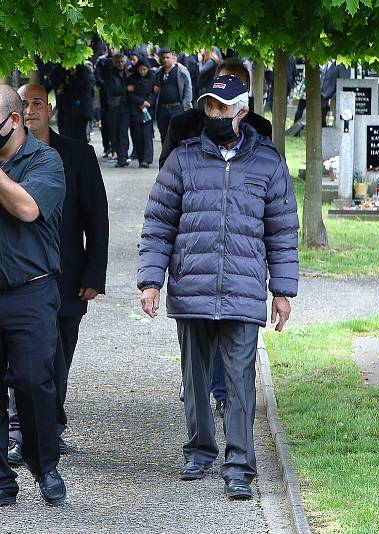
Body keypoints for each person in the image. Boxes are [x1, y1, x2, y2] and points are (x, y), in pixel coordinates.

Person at [138, 75, 299, 500]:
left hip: (244, 290)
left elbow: (282, 231)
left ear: (241, 112)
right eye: (209, 107)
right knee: (194, 378)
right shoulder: (183, 159)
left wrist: (281, 292)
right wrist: (151, 280)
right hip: (192, 286)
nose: (214, 114)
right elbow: (158, 224)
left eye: (222, 108)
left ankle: (240, 466)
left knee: (241, 379)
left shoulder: (268, 162)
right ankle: (199, 449)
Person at [0, 85, 67, 509]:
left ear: (14, 120)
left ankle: (45, 465)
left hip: (30, 293)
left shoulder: (46, 161)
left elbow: (27, 209)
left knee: (34, 381)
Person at [7, 83, 108, 466]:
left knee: (59, 356)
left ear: (48, 108)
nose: (31, 110)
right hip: (20, 272)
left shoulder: (78, 155)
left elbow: (95, 218)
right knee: (21, 355)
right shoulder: (4, 156)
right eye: (24, 104)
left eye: (37, 103)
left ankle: (51, 422)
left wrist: (93, 273)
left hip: (67, 274)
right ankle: (20, 430)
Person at [160, 59, 273, 168]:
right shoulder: (182, 124)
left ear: (247, 90)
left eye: (237, 85)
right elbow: (167, 172)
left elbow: (268, 168)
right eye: (223, 83)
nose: (229, 89)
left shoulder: (261, 127)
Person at [153, 48, 193, 144]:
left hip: (176, 108)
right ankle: (165, 158)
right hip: (162, 109)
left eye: (168, 57)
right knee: (164, 135)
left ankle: (177, 158)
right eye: (163, 57)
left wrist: (185, 105)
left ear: (173, 58)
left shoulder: (181, 71)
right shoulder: (159, 72)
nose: (166, 60)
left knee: (177, 135)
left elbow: (188, 89)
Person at [101, 54, 131, 167]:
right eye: (118, 62)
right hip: (113, 107)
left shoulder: (127, 73)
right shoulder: (109, 75)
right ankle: (119, 155)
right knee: (114, 133)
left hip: (125, 107)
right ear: (114, 63)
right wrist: (126, 89)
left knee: (123, 133)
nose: (120, 64)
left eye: (122, 61)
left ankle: (123, 157)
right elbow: (112, 90)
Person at [127, 59, 156, 168]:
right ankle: (140, 158)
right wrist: (140, 102)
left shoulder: (152, 78)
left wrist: (148, 102)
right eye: (140, 69)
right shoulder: (132, 79)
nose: (142, 71)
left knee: (147, 135)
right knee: (137, 135)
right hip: (136, 109)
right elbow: (129, 94)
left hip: (148, 109)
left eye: (144, 69)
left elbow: (154, 93)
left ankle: (147, 159)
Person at [94, 46, 119, 158]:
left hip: (116, 96)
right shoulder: (102, 60)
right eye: (109, 47)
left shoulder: (120, 60)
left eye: (113, 47)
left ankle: (115, 148)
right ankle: (107, 147)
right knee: (105, 123)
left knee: (116, 124)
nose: (111, 50)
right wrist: (105, 86)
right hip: (105, 95)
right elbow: (97, 76)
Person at [61, 64, 95, 142]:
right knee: (79, 133)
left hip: (80, 110)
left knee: (79, 133)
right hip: (82, 110)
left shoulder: (81, 78)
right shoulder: (87, 76)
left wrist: (70, 80)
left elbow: (76, 89)